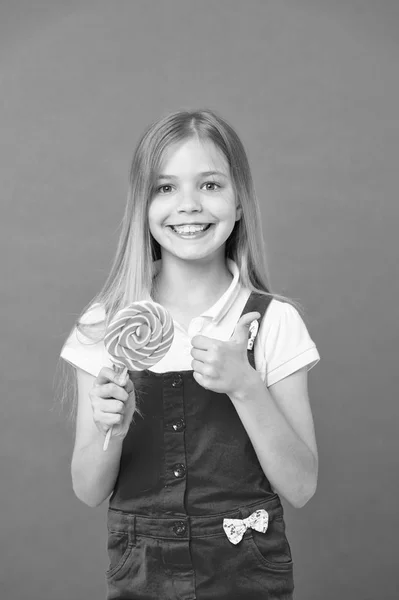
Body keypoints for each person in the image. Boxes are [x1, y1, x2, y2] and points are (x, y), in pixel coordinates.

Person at [59, 108, 320, 600]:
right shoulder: (107, 325)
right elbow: (88, 489)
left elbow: (302, 485)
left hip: (248, 572)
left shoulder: (272, 321)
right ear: (143, 205)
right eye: (165, 188)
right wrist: (111, 428)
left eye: (210, 185)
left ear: (240, 202)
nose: (189, 206)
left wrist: (246, 387)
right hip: (141, 576)